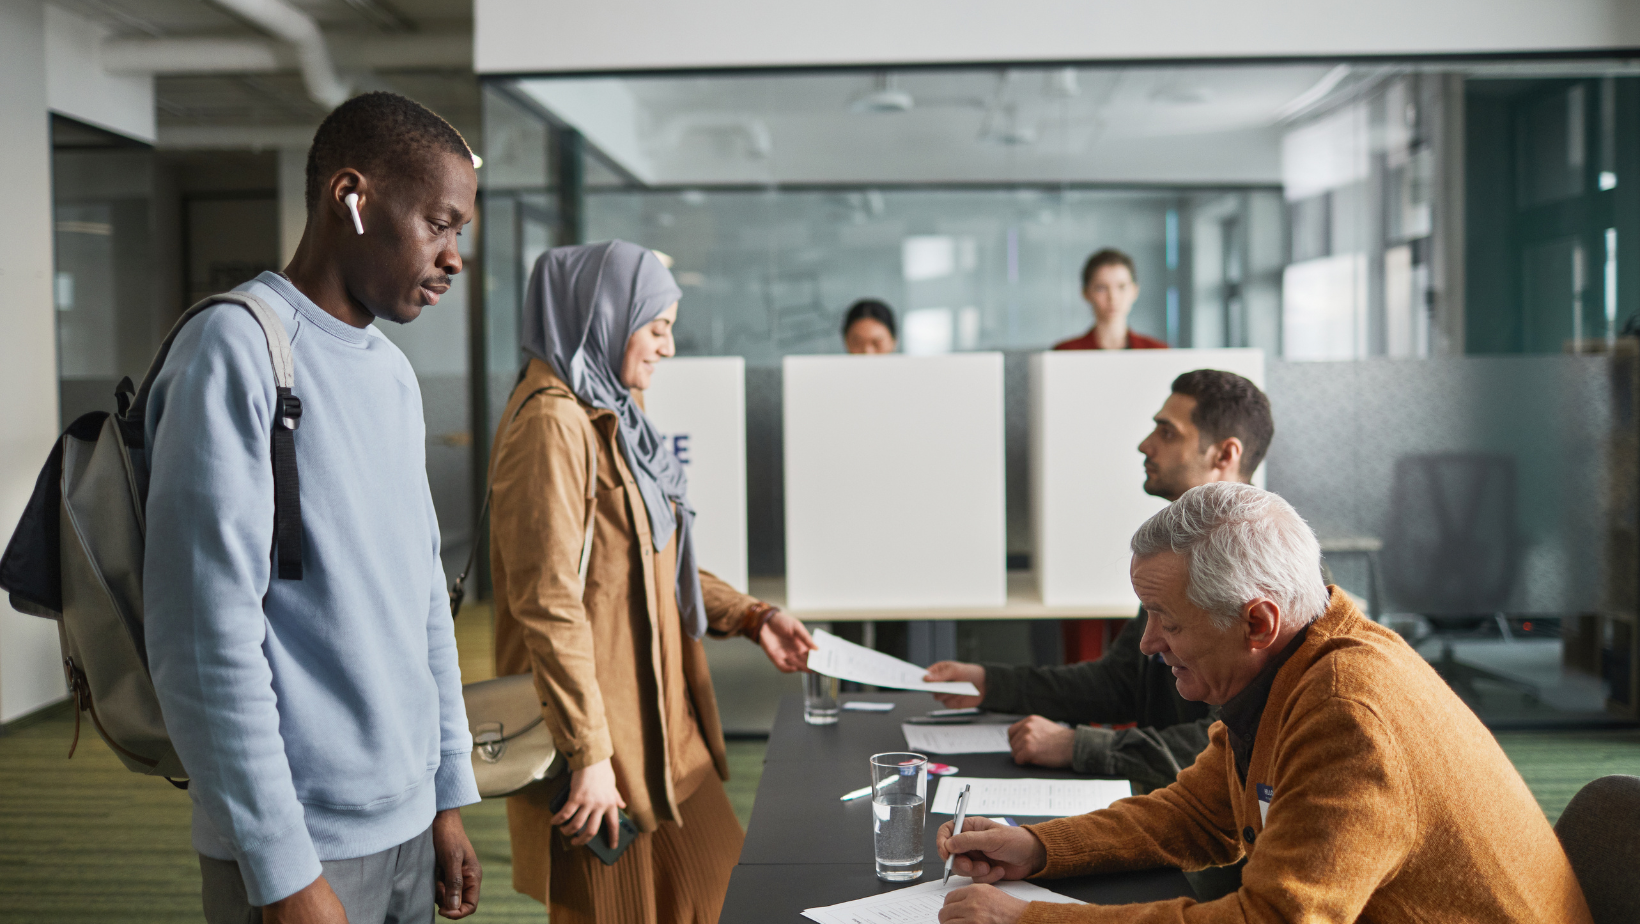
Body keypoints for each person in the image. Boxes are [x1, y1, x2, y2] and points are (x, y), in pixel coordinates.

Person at [934, 483, 1593, 924]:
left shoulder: (1347, 716)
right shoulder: (1296, 663)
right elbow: (1198, 812)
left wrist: (1029, 917)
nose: (1149, 642)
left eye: (1168, 620)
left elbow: (1271, 923)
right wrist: (1036, 847)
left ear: (1257, 623)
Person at [143, 92, 483, 924]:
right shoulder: (237, 348)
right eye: (438, 223)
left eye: (460, 234)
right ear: (352, 197)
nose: (453, 257)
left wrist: (446, 795)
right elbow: (202, 640)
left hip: (406, 825)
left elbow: (423, 604)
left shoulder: (393, 373)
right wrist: (284, 869)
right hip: (302, 843)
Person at [489, 240, 817, 924]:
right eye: (658, 327)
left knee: (722, 899)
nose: (668, 349)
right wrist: (589, 755)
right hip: (605, 752)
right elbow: (548, 606)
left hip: (667, 737)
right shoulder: (554, 423)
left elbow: (653, 559)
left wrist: (753, 615)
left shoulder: (612, 417)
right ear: (603, 316)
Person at [923, 370, 1273, 792]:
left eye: (1167, 432)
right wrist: (990, 683)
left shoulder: (1269, 570)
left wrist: (1080, 746)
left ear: (1224, 454)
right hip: (1171, 813)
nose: (1146, 444)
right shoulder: (1184, 552)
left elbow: (1237, 741)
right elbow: (1120, 682)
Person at [1053, 248, 1165, 350]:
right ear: (1086, 293)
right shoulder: (1065, 353)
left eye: (1122, 287)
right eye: (1101, 288)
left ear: (1134, 291)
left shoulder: (1158, 352)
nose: (1113, 297)